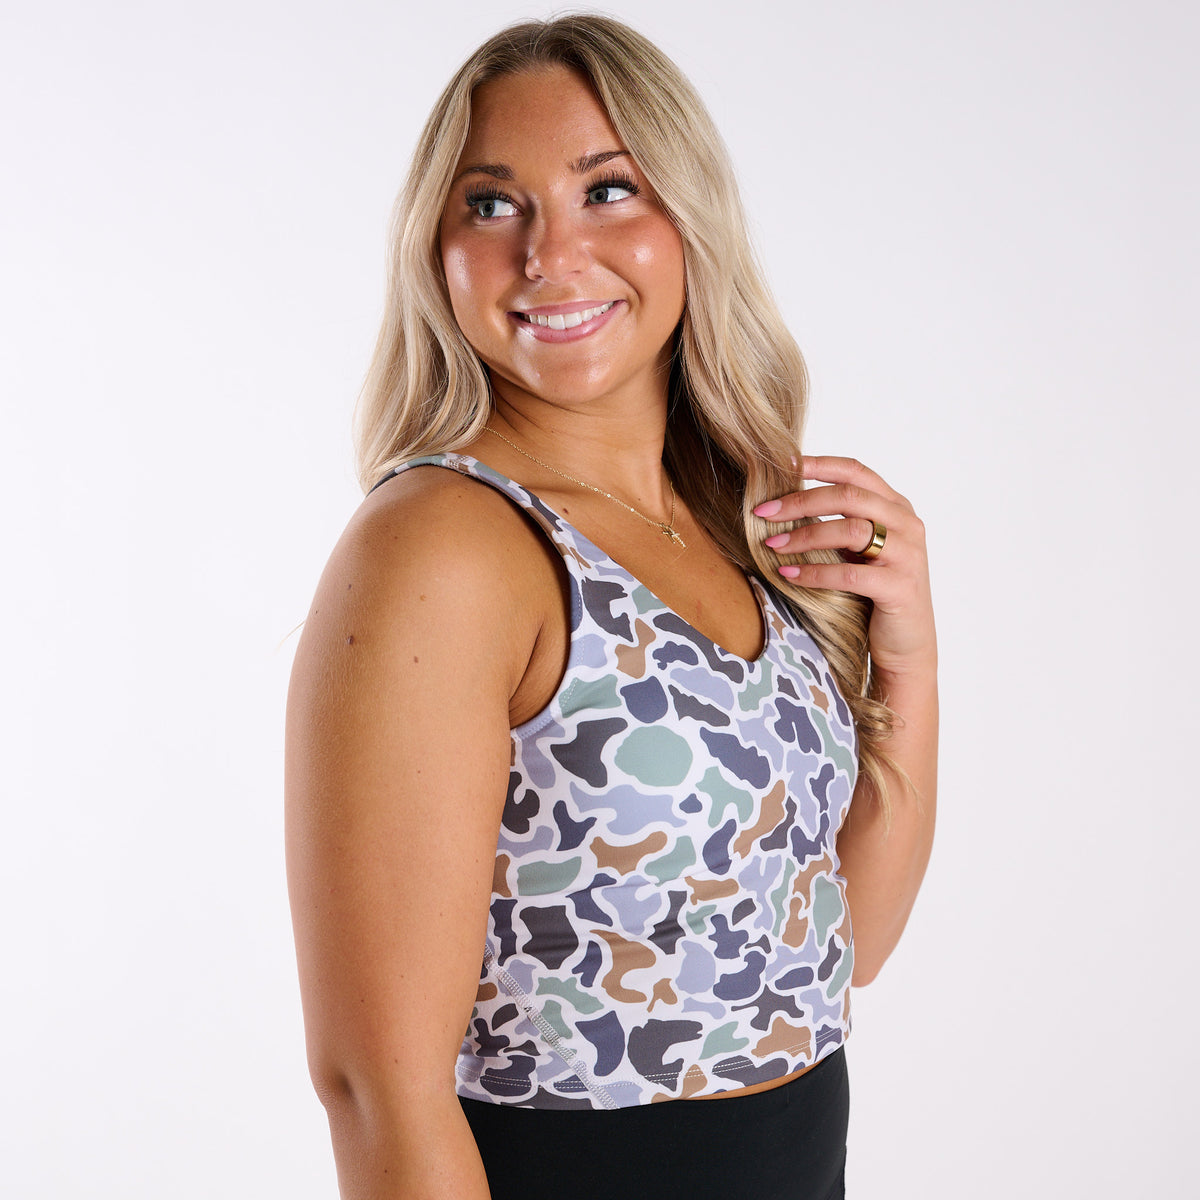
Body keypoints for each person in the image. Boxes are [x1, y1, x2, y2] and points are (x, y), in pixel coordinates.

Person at [285, 14, 936, 1200]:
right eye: (492, 204)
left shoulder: (733, 518)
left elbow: (840, 958)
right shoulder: (446, 544)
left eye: (608, 191)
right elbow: (377, 1085)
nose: (549, 254)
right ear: (434, 246)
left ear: (689, 219)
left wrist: (911, 661)